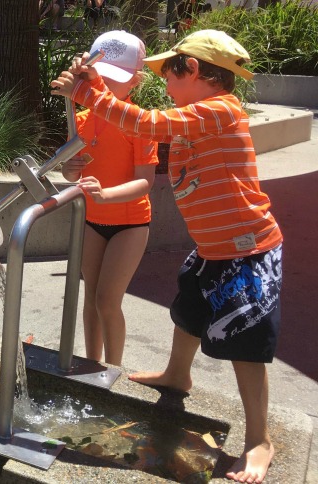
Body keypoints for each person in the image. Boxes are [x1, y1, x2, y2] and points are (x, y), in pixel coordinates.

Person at [52, 29, 282, 484]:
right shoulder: (196, 115)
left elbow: (146, 126)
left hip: (246, 250)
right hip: (212, 247)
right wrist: (92, 87)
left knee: (246, 347)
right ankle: (178, 376)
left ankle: (259, 440)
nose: (165, 86)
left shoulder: (219, 111)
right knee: (188, 312)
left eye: (169, 76)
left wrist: (86, 91)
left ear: (193, 70)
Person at [61, 31, 158, 367]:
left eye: (116, 78)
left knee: (107, 300)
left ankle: (113, 370)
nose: (104, 83)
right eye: (100, 75)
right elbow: (71, 172)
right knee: (91, 298)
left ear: (136, 81)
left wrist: (105, 195)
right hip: (93, 219)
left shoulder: (139, 123)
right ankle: (92, 363)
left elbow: (145, 182)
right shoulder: (81, 120)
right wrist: (70, 171)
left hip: (130, 223)